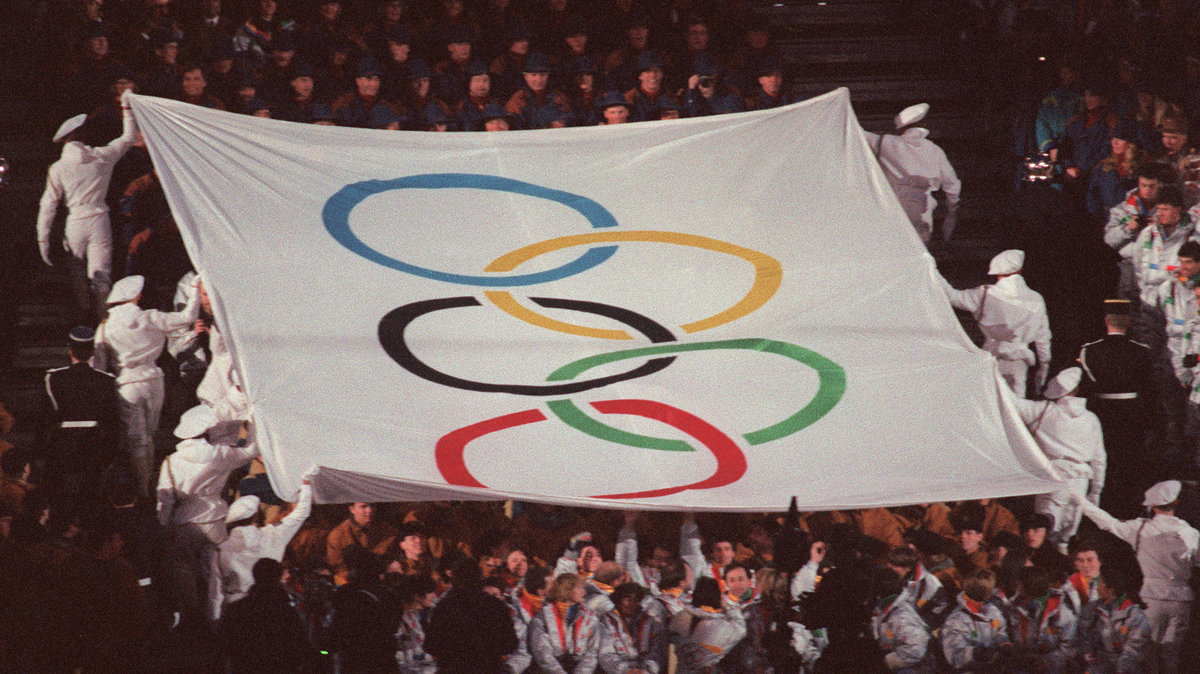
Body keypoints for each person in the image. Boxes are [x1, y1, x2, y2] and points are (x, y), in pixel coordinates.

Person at [1074, 480, 1199, 673]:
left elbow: (1108, 523)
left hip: (1151, 597)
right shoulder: (1191, 534)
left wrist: (1080, 501)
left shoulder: (1140, 529)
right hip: (1181, 599)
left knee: (1147, 651)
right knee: (1172, 652)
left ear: (1152, 506)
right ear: (1175, 503)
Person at [93, 274, 201, 495]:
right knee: (149, 434)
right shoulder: (150, 317)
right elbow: (188, 316)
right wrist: (195, 287)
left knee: (137, 439)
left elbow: (99, 366)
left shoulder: (104, 328)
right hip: (154, 380)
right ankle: (147, 479)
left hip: (126, 383)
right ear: (137, 296)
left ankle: (143, 487)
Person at [37, 89, 139, 323]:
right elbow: (129, 137)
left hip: (75, 222)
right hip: (99, 220)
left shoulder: (58, 168)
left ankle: (85, 317)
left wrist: (43, 240)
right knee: (101, 276)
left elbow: (48, 207)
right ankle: (102, 322)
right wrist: (126, 108)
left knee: (77, 272)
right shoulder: (101, 157)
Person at [156, 404, 259, 622]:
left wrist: (164, 529)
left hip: (183, 521)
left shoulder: (171, 461)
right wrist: (251, 428)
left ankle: (191, 620)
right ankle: (216, 619)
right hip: (214, 518)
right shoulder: (219, 454)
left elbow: (164, 501)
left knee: (185, 573)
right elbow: (249, 451)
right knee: (214, 576)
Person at [1009, 368, 1106, 552]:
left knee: (1043, 532)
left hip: (1054, 477)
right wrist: (1096, 491)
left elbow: (1012, 403)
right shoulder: (1091, 419)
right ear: (1077, 390)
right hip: (1080, 481)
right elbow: (1099, 459)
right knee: (1066, 539)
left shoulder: (1044, 411)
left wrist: (992, 371)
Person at [1078, 299, 1154, 518]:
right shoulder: (1141, 352)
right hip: (1131, 414)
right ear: (1129, 322)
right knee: (1129, 462)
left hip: (1101, 413)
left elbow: (1085, 388)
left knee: (1104, 461)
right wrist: (1150, 422)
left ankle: (1103, 507)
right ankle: (1128, 509)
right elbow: (1150, 391)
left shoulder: (1089, 351)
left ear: (1106, 321)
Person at [940, 249, 1051, 396]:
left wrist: (933, 272)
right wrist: (1044, 366)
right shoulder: (1036, 299)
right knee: (1012, 409)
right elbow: (1043, 337)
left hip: (990, 358)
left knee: (988, 405)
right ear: (1020, 270)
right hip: (1018, 363)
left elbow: (953, 297)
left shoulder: (986, 293)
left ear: (997, 271)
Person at [40, 326, 119, 511]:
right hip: (94, 441)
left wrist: (42, 449)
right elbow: (111, 419)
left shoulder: (53, 378)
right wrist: (111, 449)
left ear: (69, 352)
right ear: (92, 353)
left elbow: (46, 416)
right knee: (91, 490)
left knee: (60, 492)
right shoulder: (105, 380)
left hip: (62, 442)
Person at [214, 473, 314, 613]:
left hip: (233, 605)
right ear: (256, 515)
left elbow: (214, 586)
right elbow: (302, 512)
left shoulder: (218, 547)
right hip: (271, 603)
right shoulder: (273, 534)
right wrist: (305, 484)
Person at [867, 102, 961, 242]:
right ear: (923, 124)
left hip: (891, 205)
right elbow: (952, 185)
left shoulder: (884, 141)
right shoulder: (935, 151)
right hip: (922, 209)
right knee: (919, 251)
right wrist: (952, 210)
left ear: (901, 128)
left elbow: (855, 132)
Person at [219, 558, 314, 673]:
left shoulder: (236, 609)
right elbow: (300, 646)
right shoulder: (287, 612)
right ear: (278, 577)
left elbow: (224, 645)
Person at [426, 557, 520, 673]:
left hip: (453, 669)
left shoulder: (443, 607)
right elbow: (509, 644)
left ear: (454, 578)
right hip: (488, 668)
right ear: (479, 578)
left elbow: (431, 645)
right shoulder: (495, 605)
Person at [1074, 564, 1152, 673]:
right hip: (1099, 664)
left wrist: (1120, 670)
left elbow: (1133, 652)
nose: (1097, 588)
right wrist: (1088, 655)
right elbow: (1084, 636)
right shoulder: (1093, 609)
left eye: (1100, 584)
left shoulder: (1135, 616)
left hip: (1126, 667)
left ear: (1110, 589)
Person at [1104, 164, 1164, 301]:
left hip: (1157, 264)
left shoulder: (1165, 209)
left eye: (1152, 186)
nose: (1147, 190)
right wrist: (1128, 228)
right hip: (1129, 264)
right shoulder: (1122, 209)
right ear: (1138, 183)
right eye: (1143, 185)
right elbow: (1108, 240)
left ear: (1159, 185)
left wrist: (1158, 228)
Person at [668, 576, 746, 672]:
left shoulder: (679, 618)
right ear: (718, 597)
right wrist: (728, 607)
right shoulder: (721, 627)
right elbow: (741, 628)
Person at [528, 572, 601, 673]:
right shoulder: (543, 617)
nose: (584, 592)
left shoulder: (590, 617)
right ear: (567, 589)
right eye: (579, 588)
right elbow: (542, 653)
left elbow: (592, 652)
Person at [941, 568, 1010, 672]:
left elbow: (1000, 632)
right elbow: (954, 655)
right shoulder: (957, 619)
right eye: (992, 589)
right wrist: (976, 653)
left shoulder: (992, 611)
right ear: (987, 593)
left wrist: (1004, 644)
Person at [597, 581, 666, 674]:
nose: (631, 604)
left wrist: (647, 669)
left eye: (635, 600)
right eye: (627, 600)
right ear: (618, 600)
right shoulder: (607, 621)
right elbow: (606, 654)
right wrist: (626, 670)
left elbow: (656, 652)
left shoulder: (649, 621)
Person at [325, 501, 399, 585]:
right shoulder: (338, 535)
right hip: (352, 584)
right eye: (363, 507)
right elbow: (338, 568)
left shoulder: (388, 531)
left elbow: (392, 559)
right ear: (352, 509)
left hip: (383, 581)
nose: (369, 510)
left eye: (372, 505)